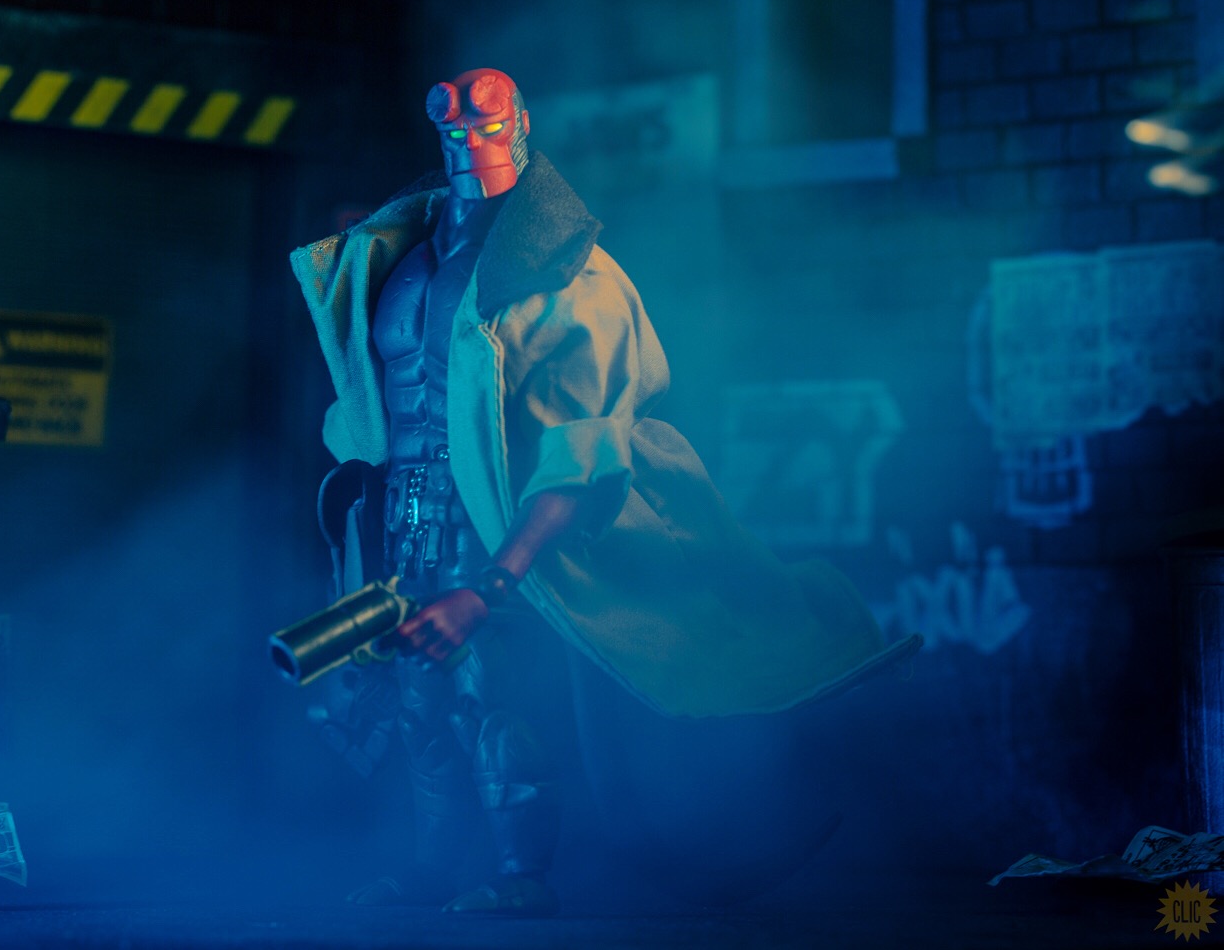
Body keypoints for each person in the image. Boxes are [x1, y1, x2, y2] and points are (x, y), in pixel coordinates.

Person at [289, 68, 914, 917]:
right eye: (453, 119)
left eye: (488, 118)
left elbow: (580, 459)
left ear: (521, 126)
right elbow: (380, 422)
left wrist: (493, 581)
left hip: (498, 532)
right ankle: (433, 870)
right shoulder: (399, 261)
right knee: (415, 707)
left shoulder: (572, 277)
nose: (469, 134)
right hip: (408, 524)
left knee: (489, 701)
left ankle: (523, 875)